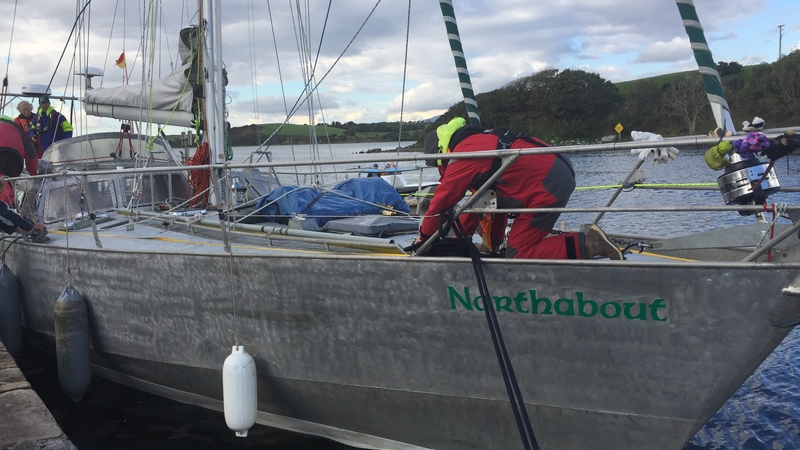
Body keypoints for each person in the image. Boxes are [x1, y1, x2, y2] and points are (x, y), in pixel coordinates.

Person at [415, 117, 622, 260]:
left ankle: (590, 243)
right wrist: (488, 247)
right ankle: (500, 249)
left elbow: (441, 203)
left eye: (435, 164)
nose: (438, 169)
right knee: (493, 214)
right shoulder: (478, 142)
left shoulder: (464, 155)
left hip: (546, 187)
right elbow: (487, 203)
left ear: (441, 153)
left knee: (518, 255)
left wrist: (424, 241)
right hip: (556, 174)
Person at [0, 116, 40, 205]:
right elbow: (31, 152)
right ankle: (11, 207)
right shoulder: (16, 127)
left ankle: (7, 207)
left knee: (4, 185)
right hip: (15, 156)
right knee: (9, 182)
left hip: (11, 153)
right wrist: (34, 174)